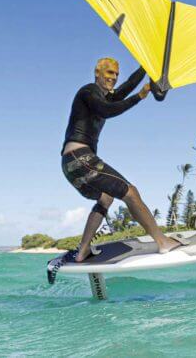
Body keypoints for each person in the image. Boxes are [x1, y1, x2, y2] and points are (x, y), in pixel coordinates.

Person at [61, 57, 183, 262]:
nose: (114, 78)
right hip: (80, 158)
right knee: (131, 192)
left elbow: (126, 87)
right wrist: (140, 96)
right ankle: (162, 242)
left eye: (116, 74)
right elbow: (107, 111)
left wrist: (147, 65)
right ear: (97, 73)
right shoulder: (88, 92)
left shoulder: (103, 96)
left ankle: (83, 251)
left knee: (105, 198)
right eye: (109, 73)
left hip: (71, 164)